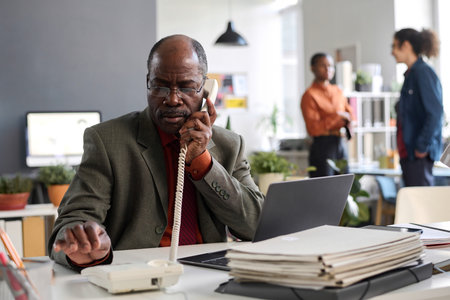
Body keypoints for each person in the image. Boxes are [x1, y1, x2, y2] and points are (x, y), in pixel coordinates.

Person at [48, 34, 264, 270]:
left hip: (209, 275)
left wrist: (202, 162)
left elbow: (255, 225)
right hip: (137, 276)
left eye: (186, 87)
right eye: (160, 86)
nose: (172, 99)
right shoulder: (107, 141)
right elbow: (72, 221)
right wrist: (84, 247)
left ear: (205, 89)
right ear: (147, 82)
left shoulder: (229, 144)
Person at [391, 28, 443, 186]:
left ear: (406, 45)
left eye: (394, 46)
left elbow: (435, 113)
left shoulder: (423, 72)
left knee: (422, 207)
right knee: (414, 206)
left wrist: (422, 146)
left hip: (418, 155)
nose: (392, 52)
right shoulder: (411, 74)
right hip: (409, 154)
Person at [300, 53, 353, 177]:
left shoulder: (338, 91)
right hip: (322, 146)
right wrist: (337, 117)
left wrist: (347, 122)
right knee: (324, 189)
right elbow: (314, 128)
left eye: (330, 66)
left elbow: (350, 115)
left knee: (345, 185)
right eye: (323, 65)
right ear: (312, 68)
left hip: (340, 143)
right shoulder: (309, 95)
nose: (328, 69)